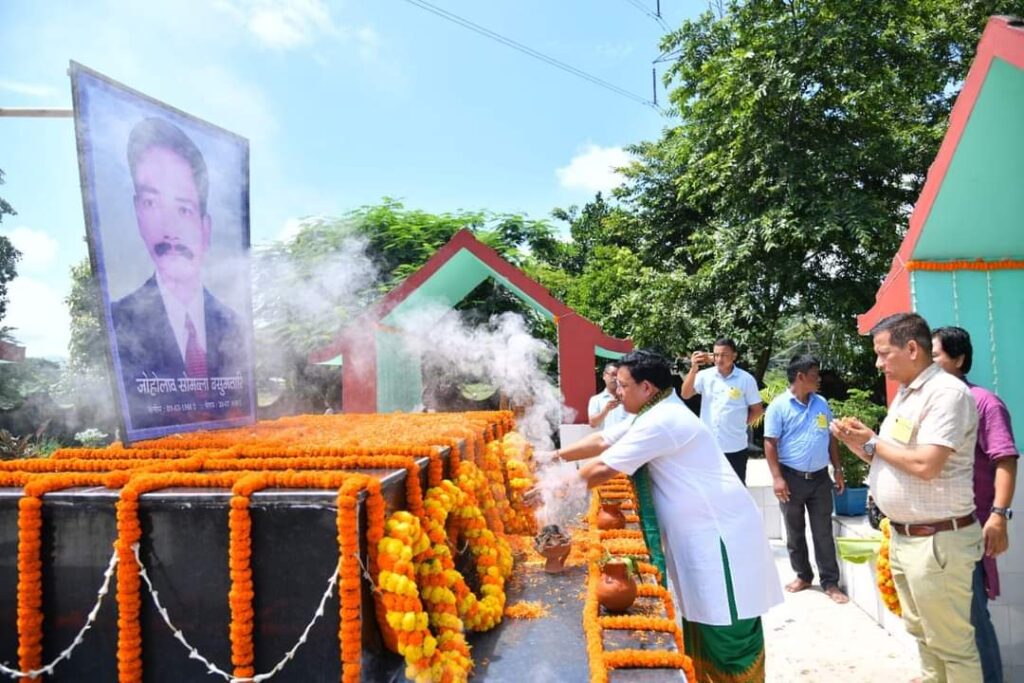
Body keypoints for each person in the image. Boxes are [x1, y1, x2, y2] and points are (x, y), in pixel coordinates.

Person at [550, 350, 783, 681]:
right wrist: (553, 457)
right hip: (700, 537)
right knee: (701, 623)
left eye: (623, 385)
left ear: (646, 387)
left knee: (728, 633)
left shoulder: (665, 420)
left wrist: (553, 489)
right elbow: (603, 440)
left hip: (721, 538)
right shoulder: (652, 412)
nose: (617, 392)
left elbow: (604, 466)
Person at [831, 313, 981, 682]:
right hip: (907, 537)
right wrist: (861, 443)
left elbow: (927, 464)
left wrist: (874, 442)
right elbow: (894, 457)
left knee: (953, 647)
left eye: (884, 354)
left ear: (912, 348)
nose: (879, 363)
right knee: (925, 638)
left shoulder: (946, 393)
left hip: (936, 542)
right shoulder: (908, 395)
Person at [111, 117, 249, 430]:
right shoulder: (118, 324)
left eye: (183, 209)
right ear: (137, 213)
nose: (169, 229)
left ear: (205, 228)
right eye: (152, 202)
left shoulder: (236, 327)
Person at [932, 326, 1017, 683]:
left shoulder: (983, 402)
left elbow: (1005, 459)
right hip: (934, 534)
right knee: (945, 625)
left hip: (969, 529)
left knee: (973, 621)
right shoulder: (931, 404)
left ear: (958, 359)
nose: (928, 363)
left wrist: (999, 515)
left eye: (934, 355)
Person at [764, 355, 848, 604]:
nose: (818, 378)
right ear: (800, 376)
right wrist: (777, 478)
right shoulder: (779, 406)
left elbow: (830, 438)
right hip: (791, 478)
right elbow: (769, 443)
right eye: (814, 374)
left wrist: (838, 468)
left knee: (823, 531)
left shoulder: (821, 403)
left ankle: (830, 582)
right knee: (795, 531)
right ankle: (803, 575)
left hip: (820, 479)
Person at [681, 337, 764, 483]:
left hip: (735, 446)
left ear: (734, 356)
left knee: (736, 490)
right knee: (709, 490)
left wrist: (741, 424)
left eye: (724, 355)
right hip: (709, 447)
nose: (719, 359)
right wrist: (693, 369)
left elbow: (757, 410)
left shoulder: (746, 379)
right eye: (716, 355)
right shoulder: (705, 376)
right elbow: (685, 394)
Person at [588, 362, 628, 430]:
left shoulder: (628, 398)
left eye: (617, 375)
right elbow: (593, 423)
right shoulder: (596, 400)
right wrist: (606, 410)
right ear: (604, 375)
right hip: (607, 440)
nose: (615, 378)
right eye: (612, 374)